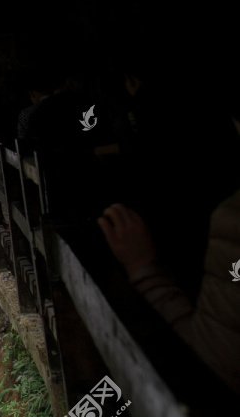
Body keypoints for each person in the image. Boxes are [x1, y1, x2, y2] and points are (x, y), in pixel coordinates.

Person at [97, 104, 240, 395]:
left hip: (183, 377)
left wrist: (142, 267)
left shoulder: (233, 221)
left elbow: (210, 365)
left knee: (108, 396)